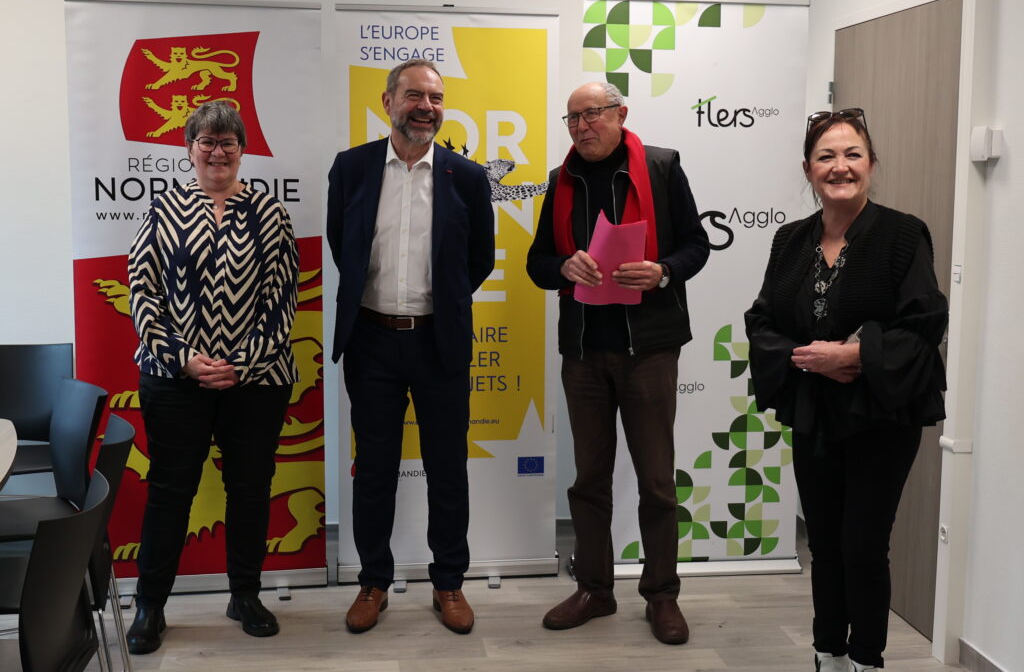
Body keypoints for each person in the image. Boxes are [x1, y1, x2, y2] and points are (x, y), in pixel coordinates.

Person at [744, 108, 948, 672]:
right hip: (815, 410)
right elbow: (762, 320)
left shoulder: (902, 233)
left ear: (871, 164)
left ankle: (866, 660)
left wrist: (856, 355)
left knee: (862, 545)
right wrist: (808, 358)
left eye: (852, 154)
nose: (840, 166)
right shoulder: (789, 240)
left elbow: (926, 320)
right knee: (825, 545)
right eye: (826, 157)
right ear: (808, 170)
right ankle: (826, 653)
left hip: (881, 412)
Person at [526, 82, 710, 645]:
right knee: (588, 481)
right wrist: (564, 268)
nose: (582, 126)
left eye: (593, 115)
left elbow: (696, 245)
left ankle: (661, 596)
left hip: (649, 350)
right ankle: (595, 590)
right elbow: (537, 263)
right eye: (573, 118)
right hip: (583, 352)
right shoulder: (560, 182)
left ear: (620, 114)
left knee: (656, 482)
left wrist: (663, 271)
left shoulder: (661, 167)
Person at [326, 59, 494, 635]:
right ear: (387, 102)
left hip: (438, 343)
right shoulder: (351, 169)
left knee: (447, 468)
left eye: (437, 97)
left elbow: (479, 260)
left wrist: (437, 305)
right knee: (373, 469)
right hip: (372, 341)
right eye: (415, 95)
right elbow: (340, 244)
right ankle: (373, 581)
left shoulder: (467, 177)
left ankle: (448, 582)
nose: (427, 106)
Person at [126, 100, 299, 653]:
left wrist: (243, 362)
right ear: (189, 149)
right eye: (207, 141)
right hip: (175, 378)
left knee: (250, 490)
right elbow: (143, 292)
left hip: (258, 379)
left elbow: (283, 298)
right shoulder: (163, 210)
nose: (218, 151)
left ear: (242, 150)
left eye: (228, 142)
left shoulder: (269, 213)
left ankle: (244, 594)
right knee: (170, 491)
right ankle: (151, 605)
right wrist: (183, 357)